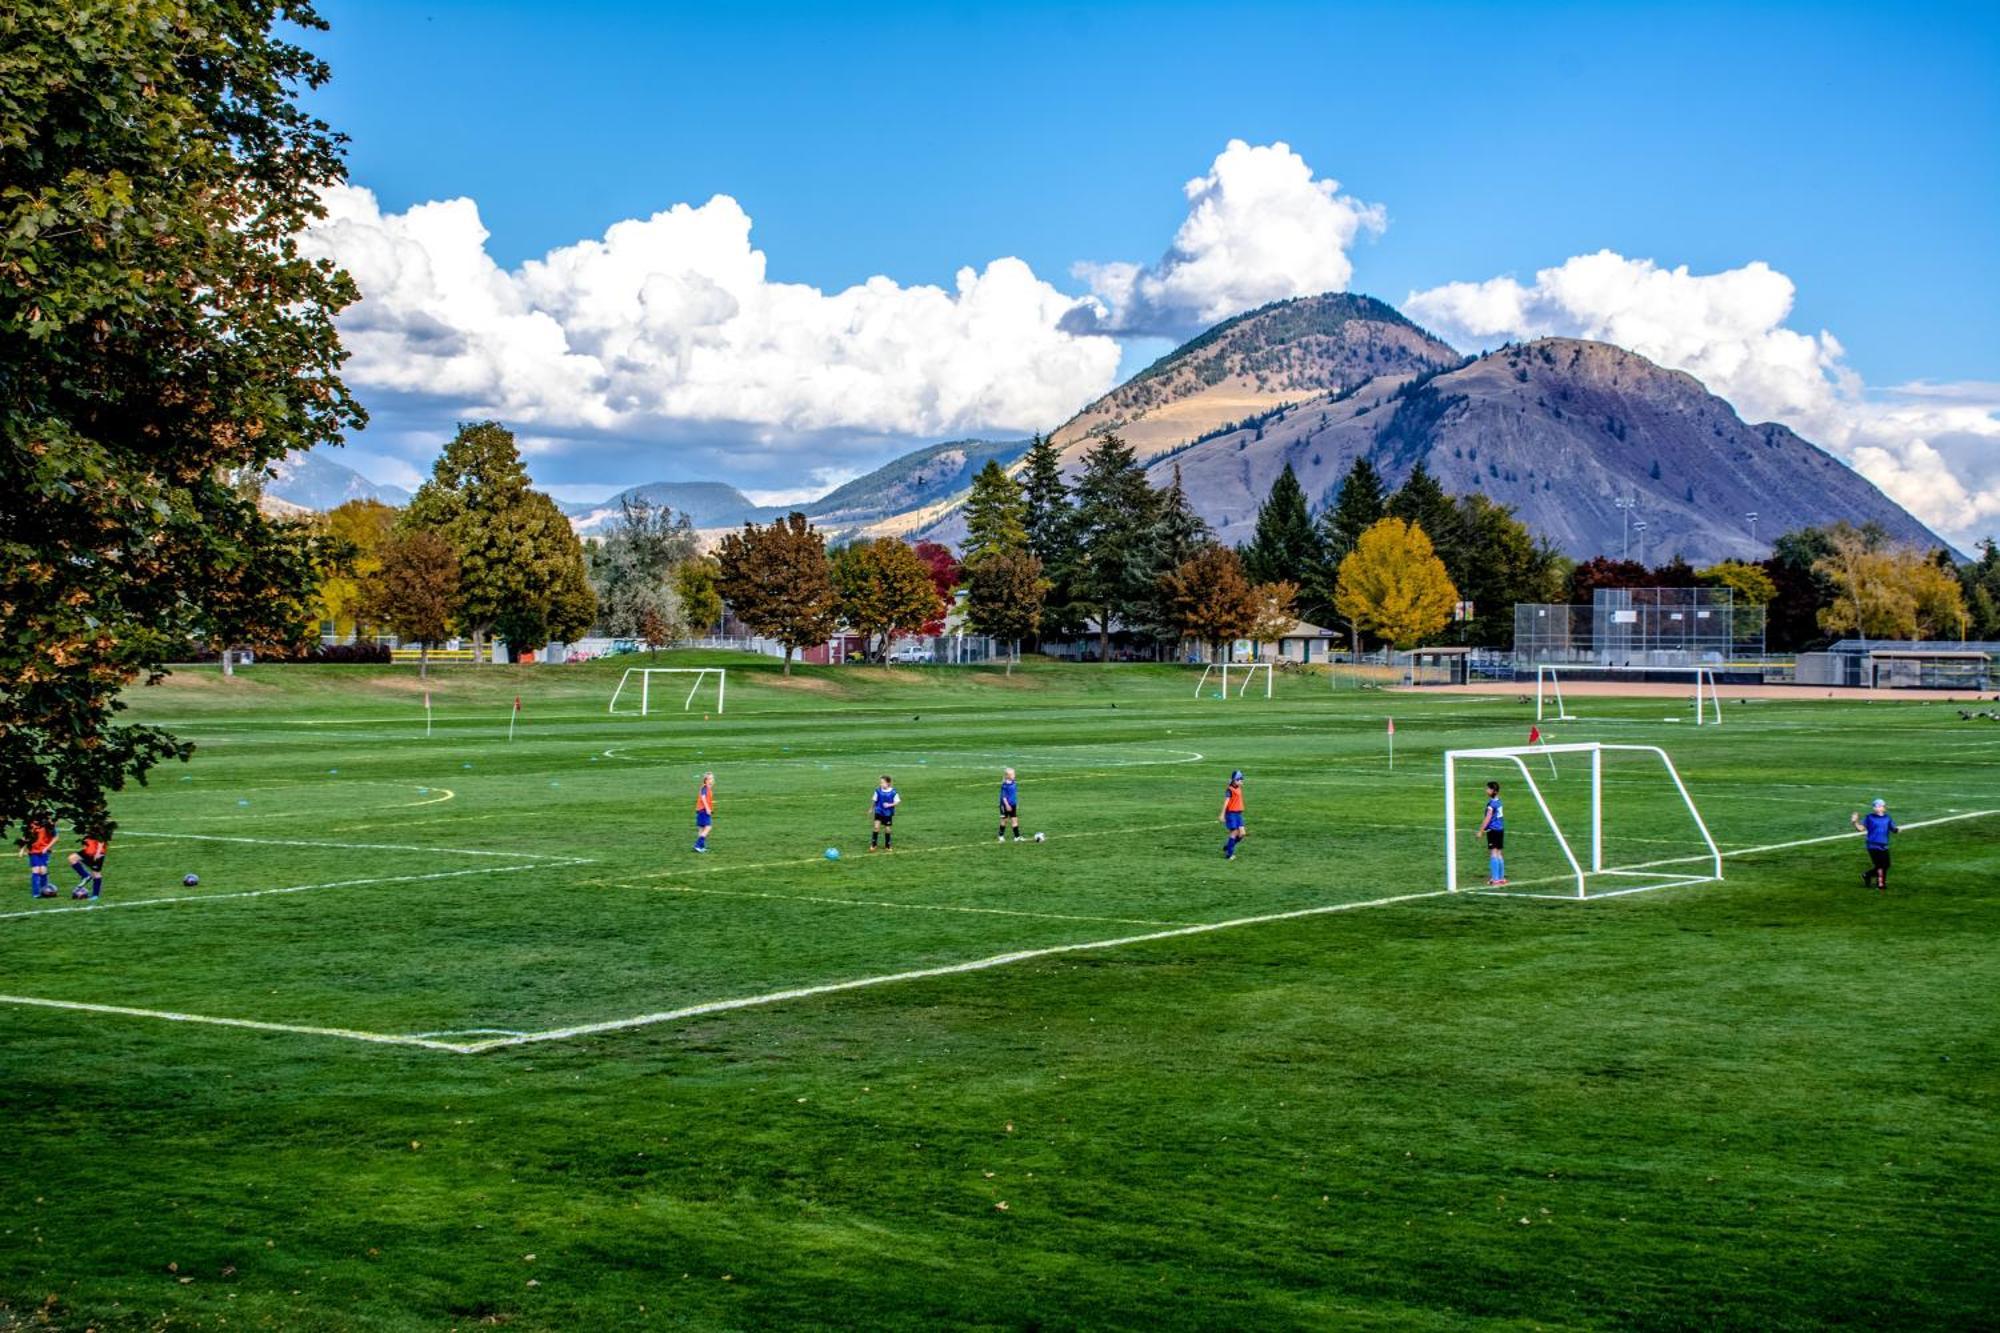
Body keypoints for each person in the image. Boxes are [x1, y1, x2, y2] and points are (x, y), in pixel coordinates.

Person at [1850, 797, 1898, 891]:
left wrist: (1897, 830)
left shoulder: (1887, 818)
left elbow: (1892, 828)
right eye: (1875, 806)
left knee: (1886, 865)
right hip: (1873, 845)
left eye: (1879, 806)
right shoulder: (1869, 817)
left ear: (1884, 808)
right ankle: (1881, 885)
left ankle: (1867, 875)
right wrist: (1855, 822)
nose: (1876, 808)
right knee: (1880, 866)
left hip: (1884, 845)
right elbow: (1861, 829)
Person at [20, 817, 57, 899]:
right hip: (33, 851)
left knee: (43, 871)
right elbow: (26, 838)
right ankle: (36, 894)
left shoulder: (48, 825)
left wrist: (47, 848)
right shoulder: (31, 825)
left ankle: (45, 891)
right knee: (36, 870)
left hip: (44, 851)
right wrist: (22, 849)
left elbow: (56, 837)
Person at [1479, 781, 1507, 886]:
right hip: (1500, 830)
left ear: (1492, 790)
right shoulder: (1499, 801)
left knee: (1493, 853)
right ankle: (1501, 878)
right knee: (1499, 853)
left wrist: (1481, 831)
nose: (1486, 790)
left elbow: (1488, 818)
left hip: (1493, 830)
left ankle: (1495, 879)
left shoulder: (1491, 805)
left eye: (1487, 789)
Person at [67, 829, 108, 900]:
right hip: (88, 850)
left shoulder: (99, 825)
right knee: (72, 858)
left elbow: (102, 839)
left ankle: (95, 895)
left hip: (97, 853)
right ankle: (86, 876)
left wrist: (98, 853)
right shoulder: (89, 823)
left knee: (96, 873)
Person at [1218, 770, 1246, 860]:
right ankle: (1229, 854)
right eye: (1241, 779)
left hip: (1238, 814)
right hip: (1231, 814)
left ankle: (1228, 846)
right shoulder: (1230, 790)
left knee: (1242, 834)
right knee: (1234, 833)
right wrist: (1222, 814)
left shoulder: (1238, 787)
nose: (1242, 781)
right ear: (1236, 780)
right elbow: (1226, 803)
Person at [870, 775, 900, 851]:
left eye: (883, 783)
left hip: (888, 813)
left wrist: (889, 805)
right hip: (879, 811)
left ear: (888, 783)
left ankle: (887, 845)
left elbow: (897, 802)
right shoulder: (878, 791)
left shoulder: (893, 792)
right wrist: (871, 809)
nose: (881, 784)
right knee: (876, 827)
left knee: (887, 829)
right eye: (880, 783)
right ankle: (873, 845)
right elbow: (874, 800)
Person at [692, 773, 715, 853]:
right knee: (708, 827)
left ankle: (701, 847)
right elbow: (703, 798)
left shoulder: (707, 788)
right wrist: (708, 808)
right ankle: (697, 845)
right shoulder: (704, 787)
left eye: (712, 778)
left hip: (700, 810)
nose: (712, 780)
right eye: (710, 779)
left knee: (701, 829)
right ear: (706, 780)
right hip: (703, 810)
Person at [998, 768, 1022, 842]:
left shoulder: (1013, 782)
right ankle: (1000, 835)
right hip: (1005, 805)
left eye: (1014, 773)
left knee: (1014, 819)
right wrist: (1007, 805)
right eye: (1012, 774)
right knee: (1004, 820)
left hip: (1012, 804)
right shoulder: (1005, 786)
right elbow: (1004, 797)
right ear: (1008, 776)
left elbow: (1013, 795)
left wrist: (1015, 803)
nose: (1014, 775)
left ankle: (1017, 837)